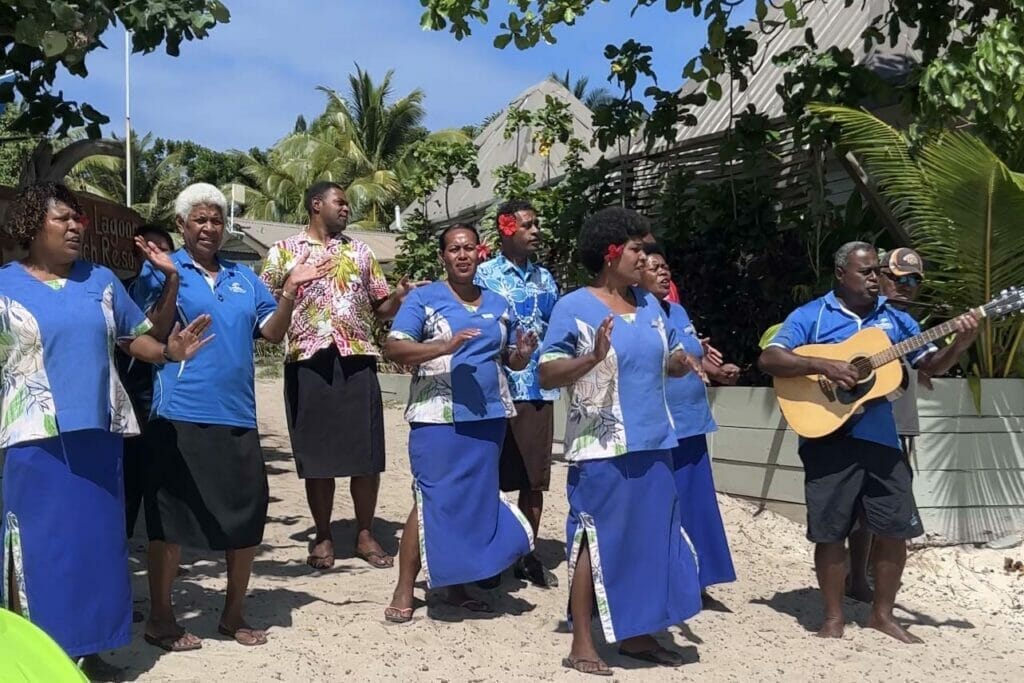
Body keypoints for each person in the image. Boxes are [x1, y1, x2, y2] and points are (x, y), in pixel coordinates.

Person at [0, 182, 211, 679]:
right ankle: (39, 658)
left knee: (95, 546)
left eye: (80, 220)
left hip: (98, 431)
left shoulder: (101, 280)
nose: (76, 227)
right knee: (39, 549)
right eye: (63, 219)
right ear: (33, 227)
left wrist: (169, 351)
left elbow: (137, 340)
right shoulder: (4, 285)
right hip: (32, 439)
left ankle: (90, 649)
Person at [134, 183, 330, 651]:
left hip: (237, 414)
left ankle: (233, 614)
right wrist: (173, 281)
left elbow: (272, 332)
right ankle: (161, 619)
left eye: (217, 219)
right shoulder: (161, 269)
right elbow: (150, 335)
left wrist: (289, 293)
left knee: (246, 519)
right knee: (169, 522)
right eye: (199, 219)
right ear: (181, 226)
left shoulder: (245, 278)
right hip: (178, 412)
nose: (209, 227)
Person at [758, 241, 978, 643]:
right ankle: (832, 618)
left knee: (895, 527)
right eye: (866, 272)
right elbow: (770, 359)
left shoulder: (895, 320)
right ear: (841, 274)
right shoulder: (812, 315)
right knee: (830, 531)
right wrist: (823, 364)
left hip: (881, 440)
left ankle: (882, 615)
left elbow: (930, 365)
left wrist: (960, 342)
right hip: (827, 435)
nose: (876, 279)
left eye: (878, 271)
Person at [539, 207, 702, 675]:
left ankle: (635, 633)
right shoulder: (574, 306)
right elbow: (548, 371)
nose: (643, 257)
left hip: (655, 441)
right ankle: (582, 643)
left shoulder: (651, 305)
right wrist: (590, 358)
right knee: (594, 538)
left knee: (648, 538)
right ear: (611, 254)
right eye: (635, 249)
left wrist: (679, 363)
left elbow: (667, 356)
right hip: (601, 446)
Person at [260, 181, 421, 571]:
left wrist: (398, 298)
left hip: (357, 358)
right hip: (307, 360)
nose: (347, 208)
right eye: (340, 202)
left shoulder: (361, 252)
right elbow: (262, 306)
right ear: (317, 205)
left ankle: (365, 533)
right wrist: (291, 284)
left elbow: (380, 308)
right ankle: (324, 534)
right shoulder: (283, 253)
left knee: (366, 454)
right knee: (317, 456)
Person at [383, 224, 536, 623]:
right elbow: (394, 347)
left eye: (469, 248)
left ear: (480, 253)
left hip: (488, 418)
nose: (462, 255)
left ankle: (455, 585)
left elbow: (510, 360)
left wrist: (521, 354)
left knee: (473, 501)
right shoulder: (423, 299)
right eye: (454, 249)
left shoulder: (500, 303)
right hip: (438, 418)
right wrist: (443, 346)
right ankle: (405, 587)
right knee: (431, 498)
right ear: (443, 257)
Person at [640, 242, 737, 598]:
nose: (664, 272)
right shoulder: (636, 313)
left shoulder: (677, 313)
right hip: (661, 426)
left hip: (693, 422)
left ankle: (697, 578)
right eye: (654, 267)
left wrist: (718, 369)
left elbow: (692, 354)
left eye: (666, 267)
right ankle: (668, 578)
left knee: (697, 506)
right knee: (665, 505)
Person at [474, 199, 560, 588]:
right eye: (527, 225)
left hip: (537, 389)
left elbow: (557, 331)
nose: (535, 231)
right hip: (493, 389)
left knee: (533, 479)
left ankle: (527, 553)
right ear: (507, 228)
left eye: (537, 224)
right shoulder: (483, 275)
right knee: (489, 476)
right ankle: (489, 554)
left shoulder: (547, 279)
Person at [846, 246, 930, 602]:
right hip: (857, 420)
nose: (906, 286)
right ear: (877, 275)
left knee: (887, 508)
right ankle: (857, 577)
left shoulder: (908, 324)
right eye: (898, 277)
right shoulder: (859, 316)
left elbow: (929, 363)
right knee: (855, 509)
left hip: (899, 422)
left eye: (913, 280)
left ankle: (869, 579)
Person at [118, 224, 175, 539]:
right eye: (147, 248)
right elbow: (149, 332)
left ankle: (164, 551)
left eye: (161, 248)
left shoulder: (184, 291)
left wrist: (171, 281)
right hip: (134, 394)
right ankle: (121, 547)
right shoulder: (121, 290)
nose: (154, 255)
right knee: (130, 478)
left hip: (172, 396)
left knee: (164, 480)